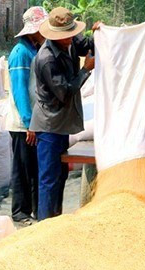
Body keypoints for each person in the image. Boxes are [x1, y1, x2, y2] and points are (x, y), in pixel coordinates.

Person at [30, 7, 100, 221]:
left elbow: (85, 44)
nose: (71, 39)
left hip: (61, 123)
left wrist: (98, 34)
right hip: (49, 125)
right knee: (49, 179)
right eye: (67, 36)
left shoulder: (68, 42)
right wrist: (86, 69)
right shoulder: (47, 59)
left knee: (60, 176)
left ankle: (56, 221)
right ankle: (45, 225)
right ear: (55, 36)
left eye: (72, 34)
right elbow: (65, 93)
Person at [8, 6, 48, 224]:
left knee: (33, 168)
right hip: (22, 124)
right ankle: (20, 212)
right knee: (22, 170)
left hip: (32, 121)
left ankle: (33, 210)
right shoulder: (20, 53)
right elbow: (20, 91)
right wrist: (28, 123)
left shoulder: (33, 49)